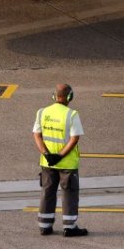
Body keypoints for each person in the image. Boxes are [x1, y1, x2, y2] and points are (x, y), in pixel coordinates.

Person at [32, 82, 88, 236]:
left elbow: (37, 135)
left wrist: (46, 154)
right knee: (69, 194)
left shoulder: (42, 112)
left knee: (47, 192)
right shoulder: (72, 114)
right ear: (70, 96)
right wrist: (60, 155)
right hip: (67, 164)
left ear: (54, 96)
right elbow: (74, 138)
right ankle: (69, 227)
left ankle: (45, 225)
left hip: (47, 163)